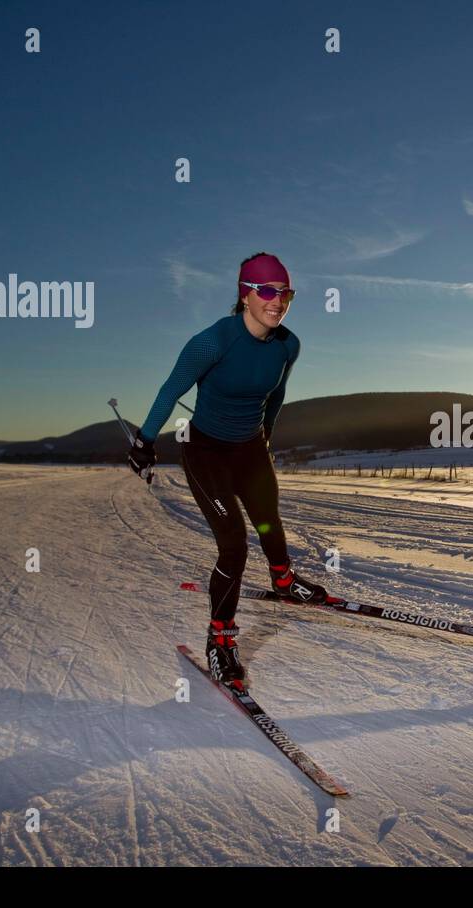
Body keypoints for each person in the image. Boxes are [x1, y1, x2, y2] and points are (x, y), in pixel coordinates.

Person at [128, 252, 327, 684]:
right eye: (269, 292)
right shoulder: (212, 342)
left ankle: (283, 580)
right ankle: (220, 641)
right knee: (234, 544)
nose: (279, 302)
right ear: (245, 294)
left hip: (250, 447)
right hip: (206, 453)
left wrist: (267, 436)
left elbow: (275, 396)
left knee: (269, 520)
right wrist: (144, 440)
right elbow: (169, 390)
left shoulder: (288, 345)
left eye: (286, 293)